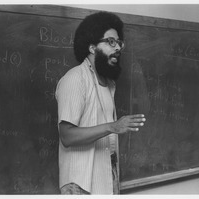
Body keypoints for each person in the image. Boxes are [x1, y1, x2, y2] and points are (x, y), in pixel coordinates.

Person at [55, 11, 146, 195]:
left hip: (105, 181)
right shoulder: (75, 79)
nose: (118, 47)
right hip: (80, 186)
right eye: (111, 41)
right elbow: (67, 136)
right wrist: (113, 126)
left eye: (119, 42)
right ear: (91, 47)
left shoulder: (108, 83)